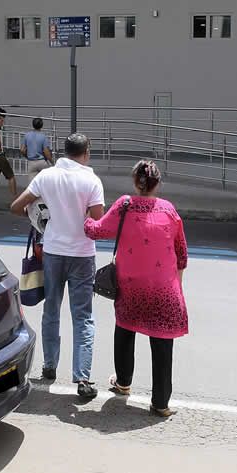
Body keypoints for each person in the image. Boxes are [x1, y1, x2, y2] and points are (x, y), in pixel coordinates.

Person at [83, 160, 188, 417]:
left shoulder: (124, 205)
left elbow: (96, 231)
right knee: (162, 343)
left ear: (135, 183)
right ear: (158, 183)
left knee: (125, 329)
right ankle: (161, 404)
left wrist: (86, 217)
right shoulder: (169, 210)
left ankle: (123, 383)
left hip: (131, 287)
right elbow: (182, 253)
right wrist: (178, 283)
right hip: (165, 290)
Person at [11, 133, 105, 399]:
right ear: (86, 152)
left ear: (64, 151)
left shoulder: (46, 177)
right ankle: (83, 378)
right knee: (83, 316)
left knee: (51, 309)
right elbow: (97, 221)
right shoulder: (91, 180)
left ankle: (49, 366)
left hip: (52, 252)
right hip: (82, 255)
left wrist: (43, 220)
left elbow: (17, 206)